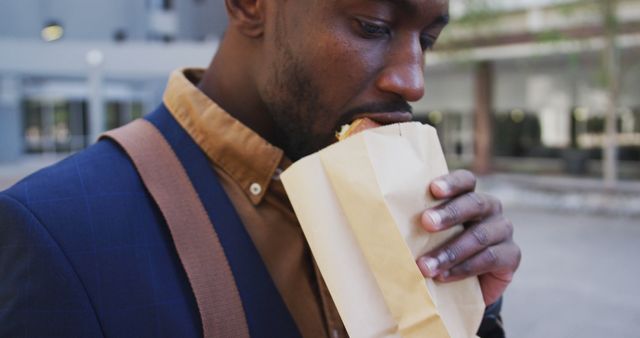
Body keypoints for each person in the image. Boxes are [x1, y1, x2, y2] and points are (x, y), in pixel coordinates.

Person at [0, 0, 521, 337]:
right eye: (373, 27)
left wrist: (471, 307)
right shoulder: (57, 231)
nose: (413, 81)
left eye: (427, 40)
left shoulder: (404, 201)